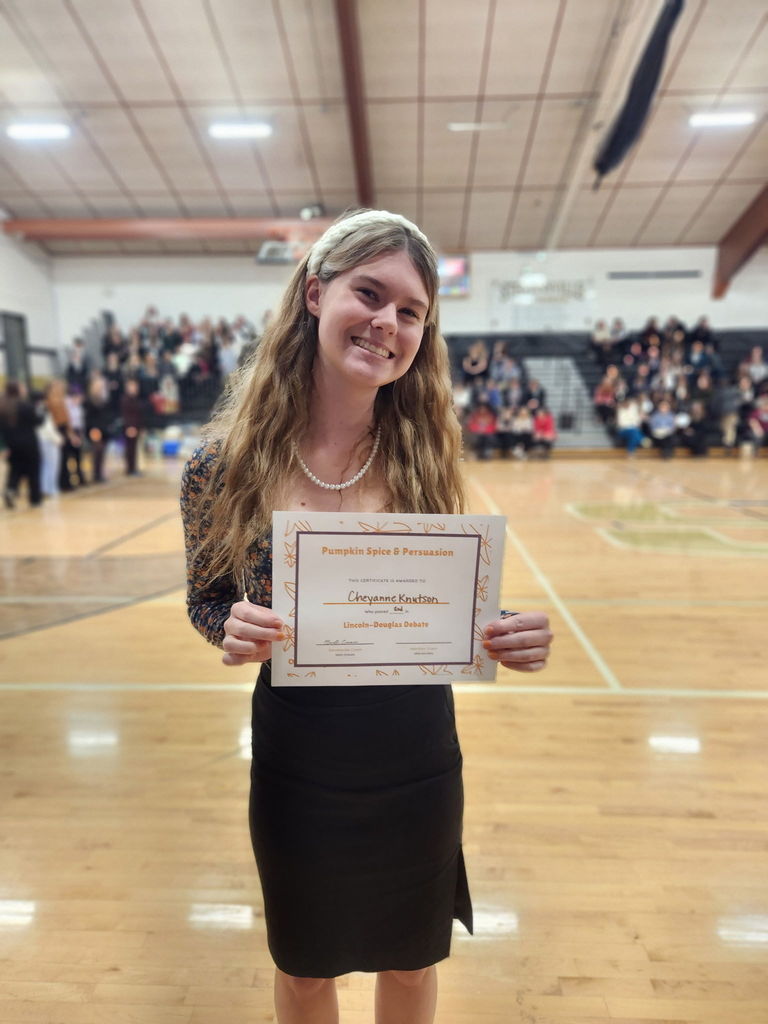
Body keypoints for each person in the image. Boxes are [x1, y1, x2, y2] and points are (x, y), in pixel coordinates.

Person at [179, 209, 553, 1024]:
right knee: (307, 970)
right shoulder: (221, 464)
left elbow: (447, 601)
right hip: (298, 758)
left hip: (414, 754)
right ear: (316, 294)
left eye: (411, 311)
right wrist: (230, 628)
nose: (388, 323)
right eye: (370, 294)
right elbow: (206, 600)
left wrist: (507, 630)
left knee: (413, 963)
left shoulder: (425, 452)